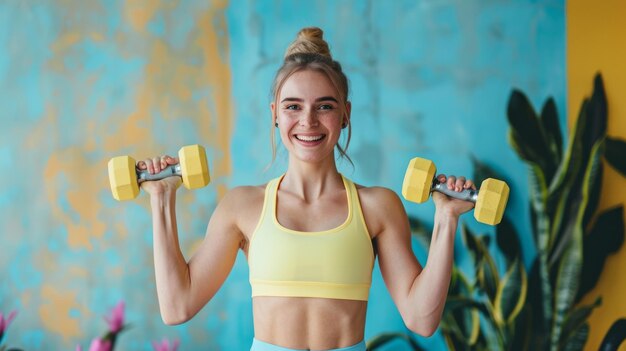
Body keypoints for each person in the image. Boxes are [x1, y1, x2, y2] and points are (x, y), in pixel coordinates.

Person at [137, 27, 476, 351]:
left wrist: (446, 219)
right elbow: (177, 307)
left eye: (325, 106)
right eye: (293, 106)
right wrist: (161, 198)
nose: (308, 121)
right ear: (275, 114)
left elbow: (421, 319)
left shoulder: (377, 206)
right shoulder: (242, 206)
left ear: (345, 114)